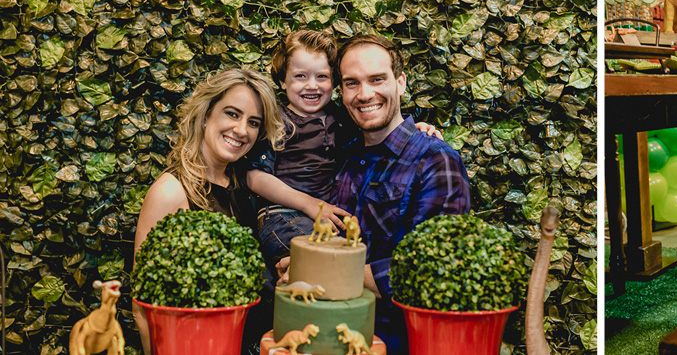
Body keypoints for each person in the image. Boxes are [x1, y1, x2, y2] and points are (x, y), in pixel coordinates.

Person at [244, 30, 441, 286]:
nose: (312, 85)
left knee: (330, 265)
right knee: (309, 269)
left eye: (322, 77)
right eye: (300, 76)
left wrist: (415, 127)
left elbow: (380, 127)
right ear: (282, 81)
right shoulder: (277, 120)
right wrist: (308, 203)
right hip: (282, 214)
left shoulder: (340, 118)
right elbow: (254, 176)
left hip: (323, 217)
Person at [132, 68, 288, 353]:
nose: (242, 130)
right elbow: (144, 307)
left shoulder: (245, 184)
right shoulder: (171, 191)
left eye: (253, 122)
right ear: (206, 115)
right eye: (232, 113)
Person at [333, 33, 472, 350]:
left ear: (400, 83)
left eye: (377, 79)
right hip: (334, 333)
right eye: (352, 83)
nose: (364, 94)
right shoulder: (346, 157)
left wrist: (329, 274)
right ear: (341, 92)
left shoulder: (436, 160)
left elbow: (435, 266)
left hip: (400, 342)